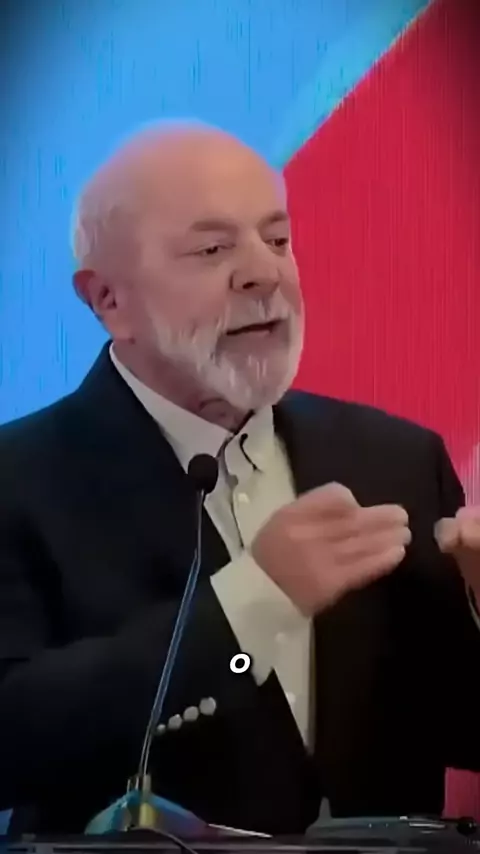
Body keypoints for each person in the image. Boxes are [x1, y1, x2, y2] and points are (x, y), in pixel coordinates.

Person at [0, 120, 480, 838]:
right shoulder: (19, 478)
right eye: (212, 249)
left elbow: (461, 727)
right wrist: (251, 604)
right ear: (108, 300)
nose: (265, 274)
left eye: (278, 239)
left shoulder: (396, 457)